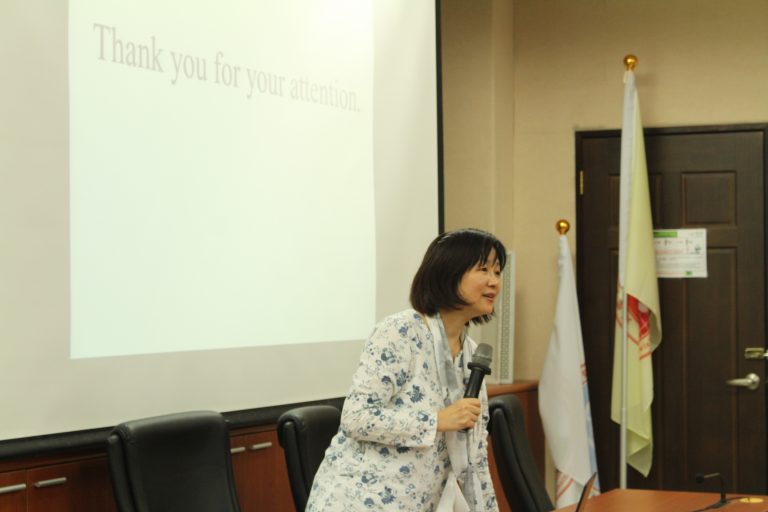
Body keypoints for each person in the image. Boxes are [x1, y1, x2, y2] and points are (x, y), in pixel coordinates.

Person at [306, 228, 506, 511]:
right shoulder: (400, 332)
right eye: (483, 269)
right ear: (448, 273)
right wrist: (437, 420)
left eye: (497, 272)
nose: (494, 282)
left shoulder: (473, 354)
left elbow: (476, 457)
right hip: (359, 501)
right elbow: (356, 417)